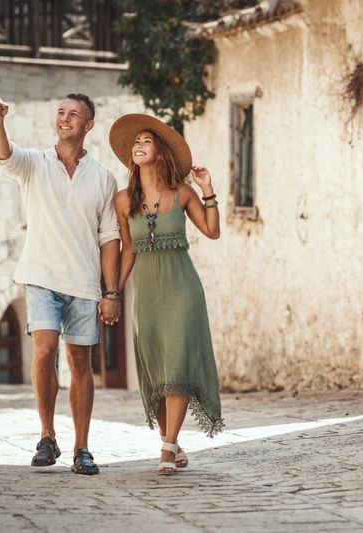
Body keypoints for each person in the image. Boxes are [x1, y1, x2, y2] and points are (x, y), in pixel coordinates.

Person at [0, 86, 121, 475]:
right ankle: (47, 436)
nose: (64, 118)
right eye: (60, 112)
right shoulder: (34, 163)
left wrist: (111, 292)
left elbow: (109, 238)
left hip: (83, 281)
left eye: (72, 114)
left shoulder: (103, 177)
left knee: (81, 362)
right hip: (40, 275)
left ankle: (82, 448)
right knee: (44, 351)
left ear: (88, 125)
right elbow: (4, 155)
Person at [109, 114, 224, 474]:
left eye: (146, 141)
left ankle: (168, 447)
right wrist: (112, 292)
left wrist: (207, 189)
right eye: (135, 143)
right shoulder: (124, 200)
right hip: (145, 293)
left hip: (182, 290)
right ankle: (170, 440)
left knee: (177, 364)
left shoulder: (182, 192)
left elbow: (212, 231)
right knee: (157, 372)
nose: (138, 145)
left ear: (159, 152)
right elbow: (128, 249)